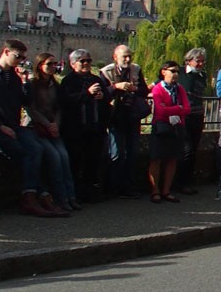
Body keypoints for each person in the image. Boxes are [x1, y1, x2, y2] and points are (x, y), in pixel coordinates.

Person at [0, 40, 55, 217]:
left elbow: (25, 102)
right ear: (5, 51)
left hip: (13, 125)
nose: (21, 61)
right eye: (18, 56)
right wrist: (0, 126)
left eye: (23, 58)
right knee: (22, 154)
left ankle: (35, 194)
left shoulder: (14, 78)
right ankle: (35, 196)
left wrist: (25, 82)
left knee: (36, 149)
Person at [21, 53, 79, 213]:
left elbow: (59, 108)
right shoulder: (32, 85)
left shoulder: (55, 84)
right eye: (50, 64)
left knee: (64, 157)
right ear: (40, 66)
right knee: (54, 157)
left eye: (55, 64)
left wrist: (56, 124)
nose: (54, 67)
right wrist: (48, 124)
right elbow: (31, 109)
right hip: (37, 128)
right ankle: (61, 198)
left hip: (53, 128)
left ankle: (70, 197)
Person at [100, 45, 149, 199]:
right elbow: (102, 94)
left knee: (132, 153)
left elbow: (144, 91)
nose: (128, 60)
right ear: (115, 57)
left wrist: (134, 88)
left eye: (129, 56)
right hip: (115, 117)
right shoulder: (106, 72)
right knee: (116, 154)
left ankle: (128, 186)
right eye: (124, 57)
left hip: (132, 116)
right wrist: (116, 87)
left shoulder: (136, 69)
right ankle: (112, 187)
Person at [59, 49, 107, 203]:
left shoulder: (96, 79)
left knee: (92, 161)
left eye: (88, 60)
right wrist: (87, 93)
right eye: (82, 61)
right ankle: (74, 194)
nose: (86, 63)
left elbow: (107, 99)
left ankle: (90, 192)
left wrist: (102, 97)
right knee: (75, 162)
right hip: (75, 129)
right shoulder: (68, 80)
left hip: (94, 128)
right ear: (73, 64)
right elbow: (66, 101)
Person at [148, 61, 190, 203]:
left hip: (177, 127)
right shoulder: (158, 89)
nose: (176, 74)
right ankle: (155, 191)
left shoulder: (180, 89)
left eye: (178, 71)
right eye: (173, 71)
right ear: (163, 71)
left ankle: (166, 190)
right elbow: (160, 111)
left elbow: (187, 108)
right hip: (161, 127)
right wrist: (177, 108)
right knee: (156, 158)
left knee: (172, 158)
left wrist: (171, 109)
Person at [175, 48, 207, 196]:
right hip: (183, 117)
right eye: (197, 61)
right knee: (186, 150)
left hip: (197, 116)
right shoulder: (180, 72)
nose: (200, 64)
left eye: (202, 61)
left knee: (193, 150)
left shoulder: (202, 76)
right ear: (189, 60)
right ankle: (181, 183)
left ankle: (187, 182)